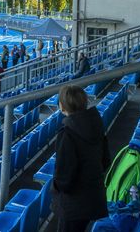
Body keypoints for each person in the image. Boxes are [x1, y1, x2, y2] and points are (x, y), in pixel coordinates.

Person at [52, 85, 110, 232]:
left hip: (74, 204)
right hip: (94, 196)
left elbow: (64, 177)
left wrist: (55, 188)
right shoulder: (96, 123)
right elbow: (105, 161)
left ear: (62, 106)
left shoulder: (67, 134)